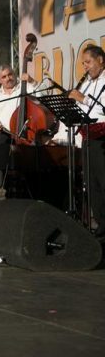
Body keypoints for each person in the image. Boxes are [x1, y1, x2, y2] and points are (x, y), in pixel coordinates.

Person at [68, 45, 105, 239]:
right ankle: (101, 224)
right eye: (83, 63)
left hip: (103, 137)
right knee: (91, 184)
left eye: (88, 62)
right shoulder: (88, 83)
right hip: (88, 136)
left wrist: (82, 98)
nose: (85, 67)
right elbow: (81, 107)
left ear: (100, 60)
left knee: (103, 181)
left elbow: (102, 108)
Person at [0, 64, 40, 140]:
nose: (8, 78)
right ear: (0, 80)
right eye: (4, 77)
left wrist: (32, 82)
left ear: (14, 74)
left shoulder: (25, 85)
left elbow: (40, 97)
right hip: (5, 134)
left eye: (10, 74)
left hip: (27, 133)